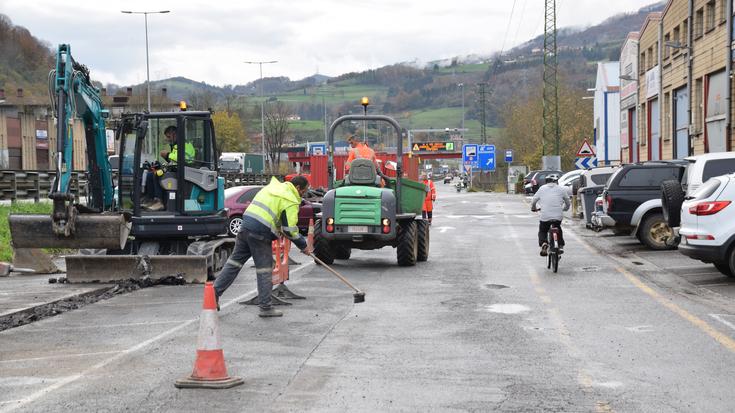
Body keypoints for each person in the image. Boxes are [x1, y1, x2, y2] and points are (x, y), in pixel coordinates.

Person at [213, 175, 312, 317]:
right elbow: (290, 230)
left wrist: (279, 228)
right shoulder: (290, 198)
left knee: (234, 263)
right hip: (260, 232)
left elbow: (274, 215)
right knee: (265, 269)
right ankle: (265, 307)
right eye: (304, 190)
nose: (305, 193)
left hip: (245, 225)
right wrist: (304, 246)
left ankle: (214, 294)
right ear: (297, 188)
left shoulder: (274, 188)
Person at [530, 174, 570, 256]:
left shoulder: (542, 188)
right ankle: (560, 245)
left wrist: (533, 207)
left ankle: (544, 243)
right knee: (558, 227)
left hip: (545, 215)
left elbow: (534, 200)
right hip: (558, 215)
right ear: (556, 181)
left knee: (543, 230)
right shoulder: (561, 189)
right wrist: (565, 208)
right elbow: (567, 202)